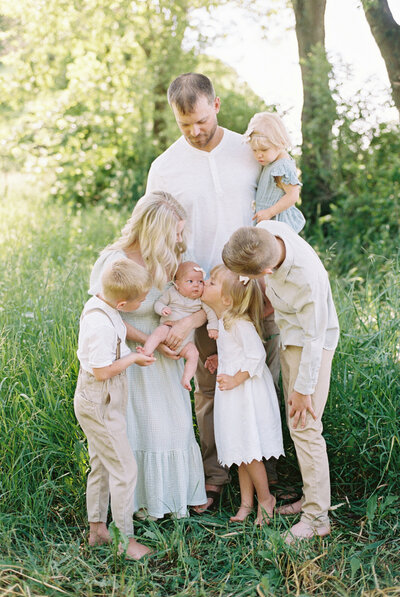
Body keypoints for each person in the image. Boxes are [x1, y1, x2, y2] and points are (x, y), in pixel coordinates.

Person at [146, 72, 281, 510]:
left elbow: (280, 206)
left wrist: (273, 273)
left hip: (258, 289)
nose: (196, 131)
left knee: (263, 377)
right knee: (210, 386)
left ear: (217, 104)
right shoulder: (165, 167)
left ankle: (270, 475)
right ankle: (215, 474)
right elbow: (158, 236)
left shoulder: (250, 150)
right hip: (202, 296)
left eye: (201, 120)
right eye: (185, 125)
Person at [89, 191, 207, 519]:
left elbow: (203, 304)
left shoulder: (170, 258)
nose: (180, 239)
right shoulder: (114, 261)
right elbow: (105, 316)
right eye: (176, 232)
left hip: (166, 357)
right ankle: (141, 506)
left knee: (176, 426)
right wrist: (152, 341)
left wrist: (185, 326)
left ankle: (177, 497)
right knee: (143, 429)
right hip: (132, 356)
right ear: (155, 230)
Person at [222, 221, 339, 543]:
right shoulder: (264, 232)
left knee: (305, 425)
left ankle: (317, 517)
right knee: (297, 425)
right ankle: (313, 496)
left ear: (268, 271)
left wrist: (303, 391)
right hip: (290, 335)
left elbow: (315, 339)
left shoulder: (307, 281)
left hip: (310, 343)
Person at [74, 259, 155, 560]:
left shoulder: (105, 305)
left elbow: (121, 327)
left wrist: (147, 341)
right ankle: (124, 541)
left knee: (102, 462)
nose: (145, 301)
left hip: (102, 399)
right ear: (122, 302)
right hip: (100, 401)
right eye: (141, 300)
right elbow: (102, 371)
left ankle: (98, 530)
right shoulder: (98, 325)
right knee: (124, 468)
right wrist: (134, 358)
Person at [201, 265, 284, 526]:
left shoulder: (239, 323)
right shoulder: (226, 321)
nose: (205, 282)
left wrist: (236, 377)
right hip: (234, 394)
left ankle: (266, 499)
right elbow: (236, 352)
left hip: (245, 395)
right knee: (240, 452)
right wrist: (219, 357)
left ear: (226, 299)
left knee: (250, 452)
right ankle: (246, 503)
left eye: (212, 282)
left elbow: (256, 356)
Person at [141, 261, 218, 390]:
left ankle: (187, 378)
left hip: (186, 343)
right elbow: (158, 303)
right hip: (168, 330)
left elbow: (210, 313)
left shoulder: (200, 300)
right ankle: (147, 351)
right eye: (190, 281)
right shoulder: (171, 293)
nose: (196, 285)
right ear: (177, 285)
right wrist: (162, 309)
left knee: (194, 354)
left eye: (200, 282)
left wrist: (213, 328)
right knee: (159, 331)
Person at [244, 112, 305, 232]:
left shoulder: (282, 167)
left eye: (264, 149)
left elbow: (293, 195)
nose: (258, 155)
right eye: (254, 150)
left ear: (280, 143)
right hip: (267, 220)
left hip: (277, 222)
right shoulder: (270, 162)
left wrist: (270, 212)